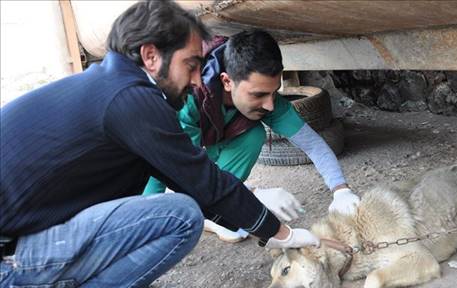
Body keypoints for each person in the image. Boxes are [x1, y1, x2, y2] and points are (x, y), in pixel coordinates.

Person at [0, 0, 319, 288]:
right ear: (151, 56)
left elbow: (188, 179)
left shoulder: (111, 88)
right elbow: (203, 183)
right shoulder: (129, 100)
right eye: (190, 64)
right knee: (179, 217)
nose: (199, 80)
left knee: (153, 205)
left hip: (17, 240)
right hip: (10, 264)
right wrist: (281, 233)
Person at [142, 30, 360, 242]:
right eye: (258, 94)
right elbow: (177, 167)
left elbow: (313, 145)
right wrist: (254, 193)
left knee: (254, 135)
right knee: (150, 218)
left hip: (212, 138)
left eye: (274, 92)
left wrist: (341, 190)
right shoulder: (186, 96)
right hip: (154, 153)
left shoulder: (271, 104)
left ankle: (218, 210)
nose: (269, 104)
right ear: (227, 82)